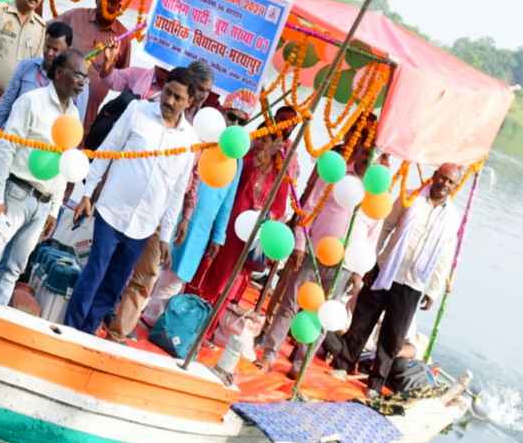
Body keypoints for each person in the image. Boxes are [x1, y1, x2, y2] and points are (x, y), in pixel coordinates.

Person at [64, 67, 198, 334]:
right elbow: (107, 150)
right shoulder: (137, 111)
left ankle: (87, 333)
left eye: (178, 98)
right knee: (95, 271)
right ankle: (69, 329)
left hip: (144, 225)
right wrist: (88, 193)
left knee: (115, 283)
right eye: (168, 93)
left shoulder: (190, 140)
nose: (170, 101)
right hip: (111, 211)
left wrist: (165, 237)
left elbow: (176, 191)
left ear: (190, 102)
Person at [0, 50, 88, 305]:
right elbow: (6, 149)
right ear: (60, 73)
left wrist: (53, 209)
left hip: (43, 202)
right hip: (15, 193)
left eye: (86, 77)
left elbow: (64, 160)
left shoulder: (73, 116)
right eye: (78, 75)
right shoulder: (31, 102)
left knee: (13, 269)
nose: (83, 82)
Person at [103, 61, 217, 342]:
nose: (203, 96)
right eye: (200, 89)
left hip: (166, 211)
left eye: (207, 91)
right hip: (131, 202)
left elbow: (194, 176)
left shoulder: (204, 127)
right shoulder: (155, 107)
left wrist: (185, 216)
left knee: (147, 273)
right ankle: (101, 313)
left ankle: (118, 331)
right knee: (113, 264)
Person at [328, 163, 462, 397]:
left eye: (450, 182)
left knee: (394, 334)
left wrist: (433, 290)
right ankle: (342, 365)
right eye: (442, 178)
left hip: (413, 282)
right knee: (363, 318)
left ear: (454, 186)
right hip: (386, 268)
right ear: (434, 177)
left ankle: (375, 384)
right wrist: (370, 261)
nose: (444, 184)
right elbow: (386, 226)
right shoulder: (410, 197)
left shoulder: (453, 217)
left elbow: (445, 254)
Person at [256, 144, 382, 374]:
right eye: (365, 151)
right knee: (290, 304)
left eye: (373, 155)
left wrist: (358, 273)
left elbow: (371, 239)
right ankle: (268, 355)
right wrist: (300, 244)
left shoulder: (377, 194)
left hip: (344, 266)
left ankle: (299, 366)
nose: (368, 158)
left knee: (323, 316)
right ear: (359, 151)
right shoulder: (337, 173)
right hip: (313, 253)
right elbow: (310, 207)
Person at [140, 89, 260, 327]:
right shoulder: (200, 140)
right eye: (232, 117)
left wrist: (218, 236)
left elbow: (228, 202)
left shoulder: (236, 158)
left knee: (177, 276)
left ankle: (151, 319)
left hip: (201, 228)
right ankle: (129, 309)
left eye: (241, 122)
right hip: (174, 213)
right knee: (151, 265)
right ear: (222, 113)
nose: (234, 124)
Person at [186, 105, 300, 339]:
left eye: (290, 125)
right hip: (229, 223)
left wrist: (269, 223)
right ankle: (186, 319)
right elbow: (238, 177)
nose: (284, 129)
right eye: (282, 122)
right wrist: (263, 152)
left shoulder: (286, 162)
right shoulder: (248, 147)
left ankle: (206, 332)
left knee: (230, 284)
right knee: (208, 271)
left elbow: (279, 206)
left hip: (251, 233)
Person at [0, 21, 87, 200]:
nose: (50, 53)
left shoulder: (76, 86)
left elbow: (72, 134)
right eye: (47, 47)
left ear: (67, 51)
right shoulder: (27, 67)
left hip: (39, 160)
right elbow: (4, 106)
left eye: (56, 50)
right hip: (7, 144)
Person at [56, 0, 131, 133]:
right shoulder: (74, 17)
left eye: (115, 3)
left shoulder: (123, 38)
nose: (109, 6)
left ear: (119, 8)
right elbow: (48, 35)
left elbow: (123, 81)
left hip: (88, 113)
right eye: (106, 0)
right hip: (58, 97)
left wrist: (108, 65)